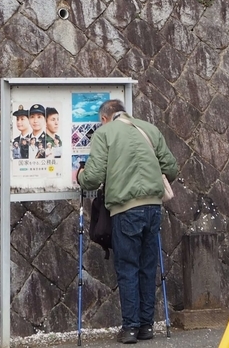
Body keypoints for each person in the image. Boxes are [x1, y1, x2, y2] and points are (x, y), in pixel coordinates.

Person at [78, 99, 177, 344]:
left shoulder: (105, 134)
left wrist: (79, 175)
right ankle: (146, 327)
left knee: (128, 267)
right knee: (147, 266)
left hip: (126, 209)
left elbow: (92, 178)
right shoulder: (149, 129)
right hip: (153, 208)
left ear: (104, 118)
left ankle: (130, 328)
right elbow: (171, 169)